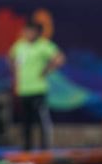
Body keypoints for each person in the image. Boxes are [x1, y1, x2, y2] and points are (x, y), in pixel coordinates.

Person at [8, 20, 66, 151]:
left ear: (37, 33)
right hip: (23, 90)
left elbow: (59, 58)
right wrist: (15, 74)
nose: (28, 34)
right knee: (25, 122)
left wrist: (47, 69)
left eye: (31, 31)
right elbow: (10, 58)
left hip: (38, 89)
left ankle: (45, 148)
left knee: (41, 121)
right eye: (26, 31)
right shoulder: (19, 46)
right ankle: (26, 149)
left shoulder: (43, 45)